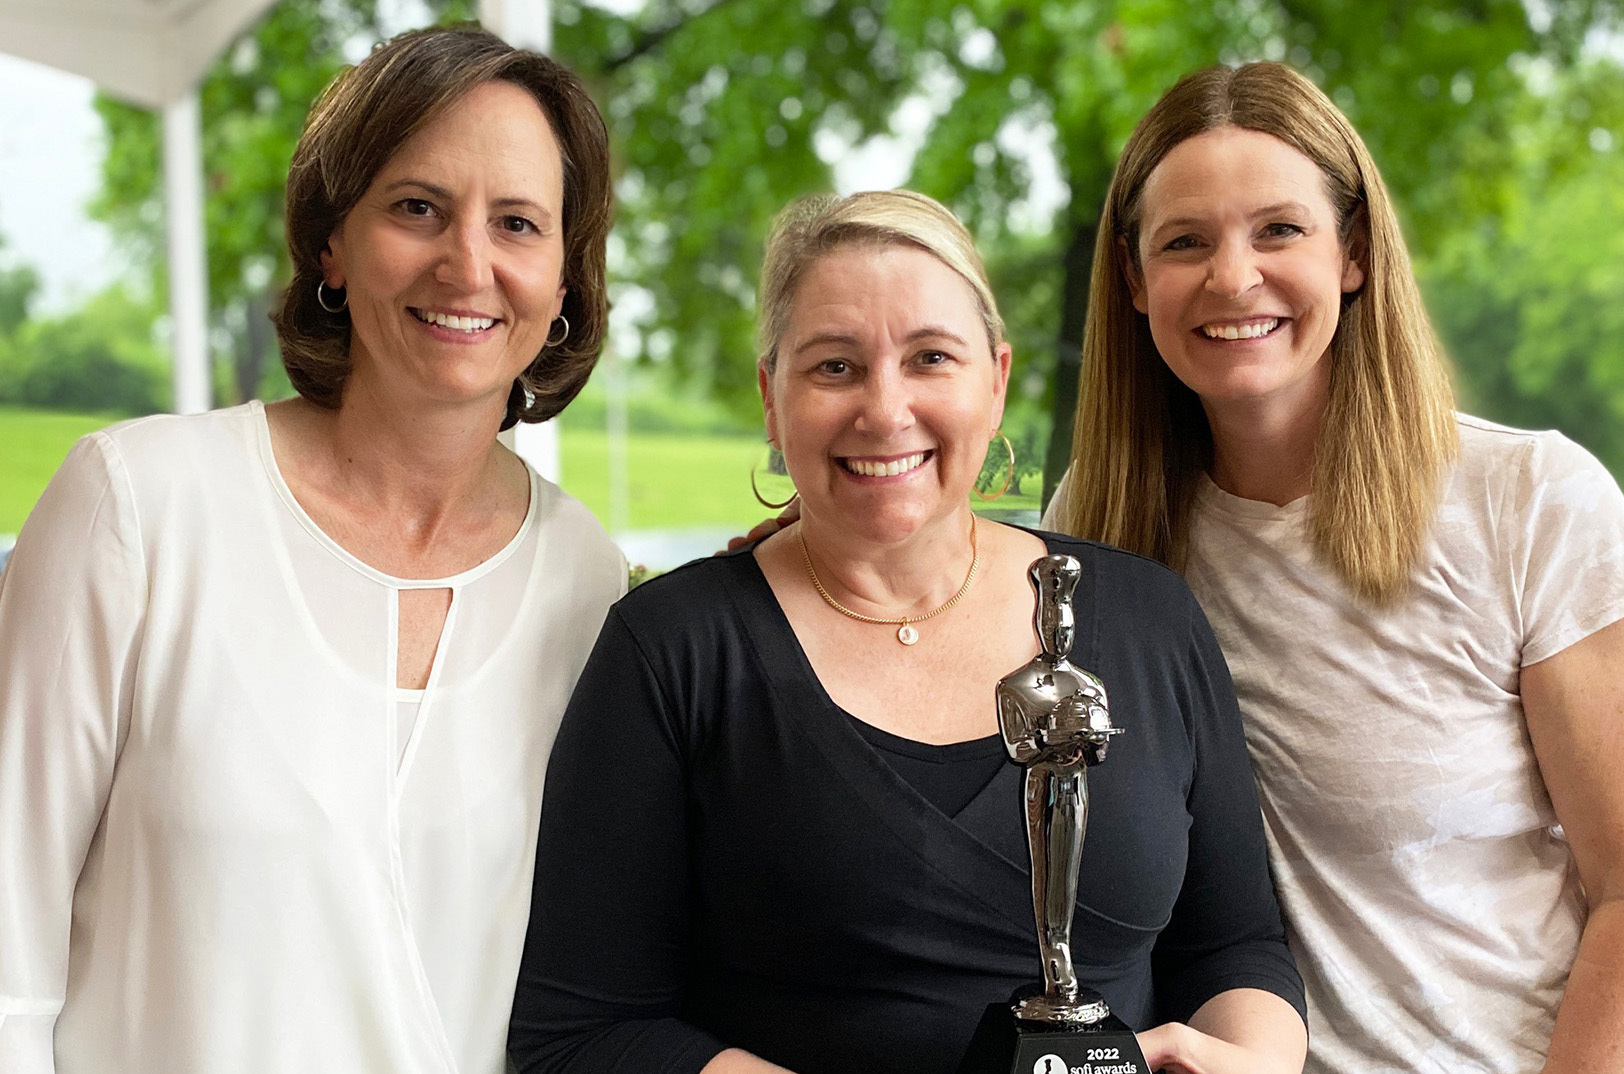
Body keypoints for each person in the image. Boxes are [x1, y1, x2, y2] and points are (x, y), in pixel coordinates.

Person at [508, 190, 1309, 1074]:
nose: (885, 411)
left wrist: (1246, 1061)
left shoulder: (1149, 618)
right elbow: (581, 1036)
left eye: (931, 357)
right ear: (773, 401)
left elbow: (1237, 945)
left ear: (996, 382)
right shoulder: (674, 652)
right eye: (835, 367)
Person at [0, 27, 625, 1074]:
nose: (466, 263)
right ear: (332, 243)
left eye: (516, 223)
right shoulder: (137, 507)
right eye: (416, 206)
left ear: (564, 283)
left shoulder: (586, 578)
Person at [1043, 62, 1624, 1074]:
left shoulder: (1528, 499)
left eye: (1279, 230)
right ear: (1134, 283)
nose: (1233, 277)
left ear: (1353, 252)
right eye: (1185, 242)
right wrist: (816, 564)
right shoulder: (1095, 529)